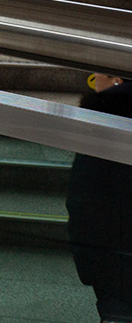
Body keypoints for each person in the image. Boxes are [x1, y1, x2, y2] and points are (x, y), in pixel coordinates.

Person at [67, 73, 132, 323]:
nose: (93, 85)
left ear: (116, 79)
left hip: (118, 274)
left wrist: (90, 268)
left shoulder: (104, 120)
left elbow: (85, 202)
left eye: (95, 77)